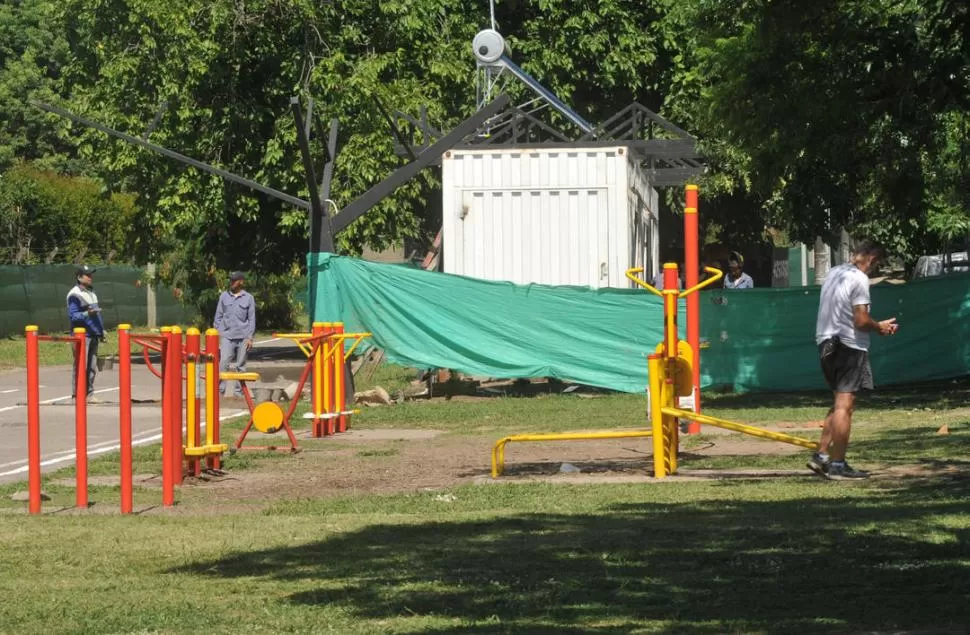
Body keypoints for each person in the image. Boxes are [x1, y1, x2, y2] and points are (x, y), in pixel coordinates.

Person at [809, 239, 897, 480]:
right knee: (845, 406)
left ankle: (822, 455)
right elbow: (860, 320)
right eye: (876, 264)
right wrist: (879, 326)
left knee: (839, 402)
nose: (874, 269)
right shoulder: (859, 278)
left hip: (825, 342)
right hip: (848, 345)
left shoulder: (834, 273)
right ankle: (838, 465)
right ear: (871, 258)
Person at [213, 271, 256, 398]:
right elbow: (218, 316)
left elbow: (251, 319)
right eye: (231, 280)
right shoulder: (224, 297)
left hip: (243, 337)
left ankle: (239, 393)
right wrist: (218, 332)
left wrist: (250, 338)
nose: (232, 282)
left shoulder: (249, 298)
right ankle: (219, 392)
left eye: (234, 280)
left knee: (241, 366)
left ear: (241, 282)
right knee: (223, 363)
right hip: (227, 335)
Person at [66, 264, 106, 403]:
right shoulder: (75, 294)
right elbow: (73, 316)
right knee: (80, 366)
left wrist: (101, 331)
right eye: (87, 275)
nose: (90, 277)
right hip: (81, 336)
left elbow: (96, 316)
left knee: (92, 367)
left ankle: (89, 395)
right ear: (79, 277)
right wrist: (87, 313)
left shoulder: (91, 293)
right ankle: (76, 395)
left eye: (91, 275)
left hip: (93, 334)